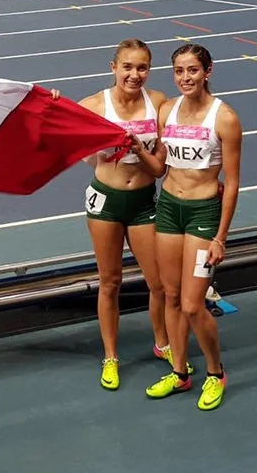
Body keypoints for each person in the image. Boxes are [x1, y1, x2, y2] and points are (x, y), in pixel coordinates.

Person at [76, 38, 190, 390]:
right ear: (113, 67)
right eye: (127, 66)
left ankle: (162, 343)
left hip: (143, 202)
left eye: (141, 67)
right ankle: (110, 357)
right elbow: (68, 140)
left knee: (159, 284)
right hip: (107, 203)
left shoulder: (156, 103)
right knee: (110, 282)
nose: (134, 74)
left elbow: (172, 148)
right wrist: (99, 155)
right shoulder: (94, 105)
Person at [145, 43, 242, 411]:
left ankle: (215, 373)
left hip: (203, 214)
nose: (185, 78)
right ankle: (180, 372)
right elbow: (159, 165)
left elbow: (231, 183)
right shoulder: (167, 110)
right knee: (170, 296)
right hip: (169, 208)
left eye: (192, 71)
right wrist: (134, 149)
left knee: (191, 304)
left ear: (208, 71)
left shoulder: (225, 118)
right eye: (179, 71)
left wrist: (221, 236)